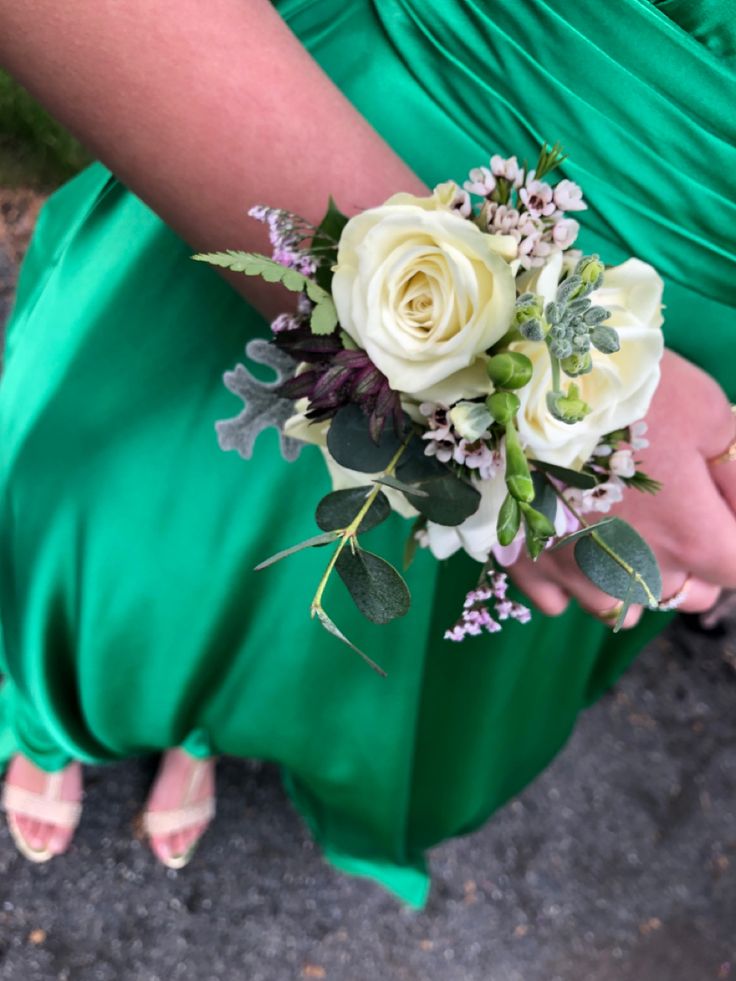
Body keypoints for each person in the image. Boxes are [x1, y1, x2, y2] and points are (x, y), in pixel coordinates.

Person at [0, 0, 734, 906]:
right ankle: (44, 720)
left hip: (700, 335)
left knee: (330, 647)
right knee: (128, 524)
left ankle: (200, 727)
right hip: (320, 133)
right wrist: (550, 434)